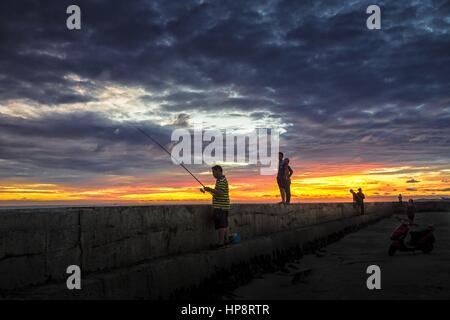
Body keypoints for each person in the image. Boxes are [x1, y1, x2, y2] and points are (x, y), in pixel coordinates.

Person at [202, 165, 230, 247]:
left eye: (214, 172)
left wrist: (210, 189)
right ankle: (226, 241)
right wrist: (209, 191)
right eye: (212, 172)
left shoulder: (221, 180)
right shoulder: (221, 180)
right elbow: (218, 193)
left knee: (221, 225)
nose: (213, 174)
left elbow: (220, 193)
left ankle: (220, 243)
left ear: (219, 171)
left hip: (220, 207)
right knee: (225, 224)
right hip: (224, 206)